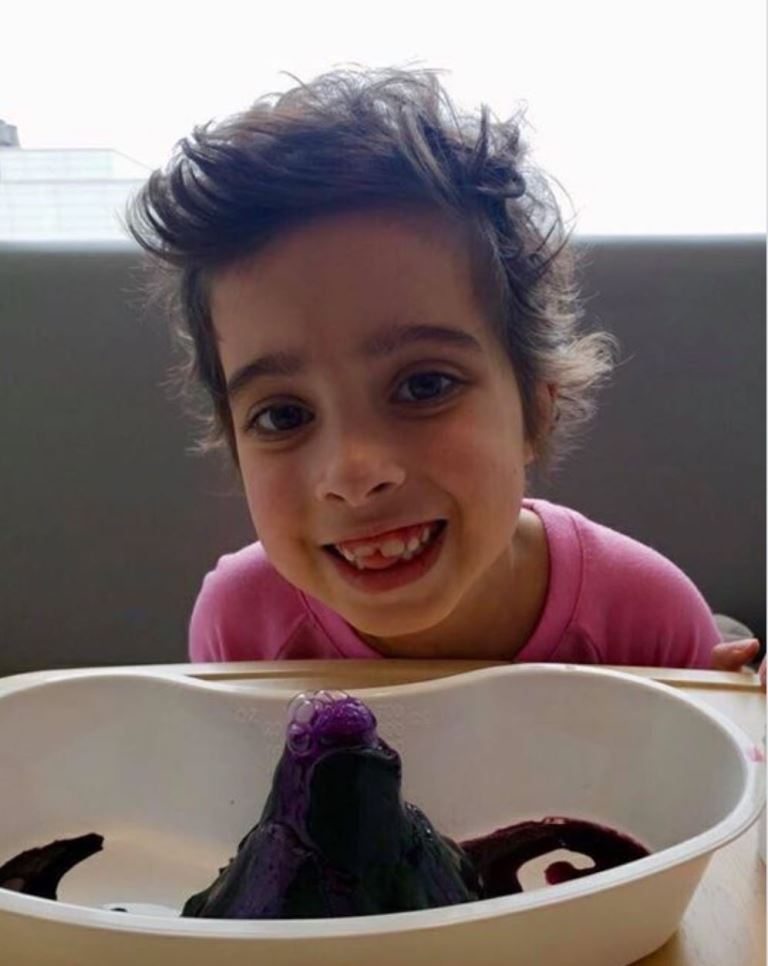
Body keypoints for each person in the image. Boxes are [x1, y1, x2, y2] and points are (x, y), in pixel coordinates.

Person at [124, 66, 762, 678]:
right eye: (282, 416)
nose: (354, 474)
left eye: (423, 386)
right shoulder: (241, 628)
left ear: (537, 407)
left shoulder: (643, 618)